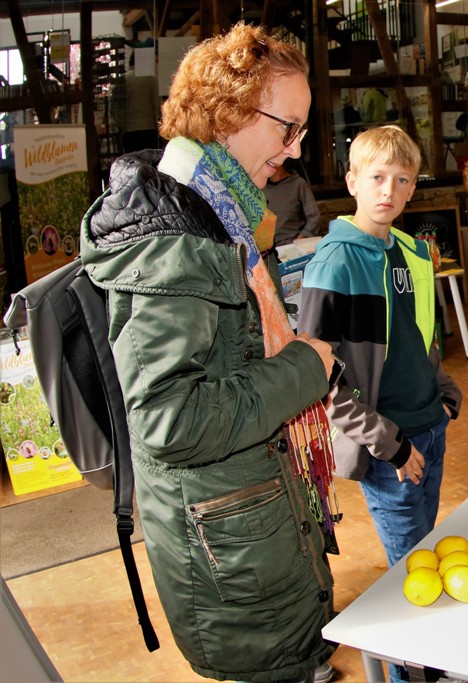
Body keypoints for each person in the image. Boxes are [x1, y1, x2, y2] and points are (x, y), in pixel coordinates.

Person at [79, 24, 340, 683]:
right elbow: (174, 421)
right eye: (288, 128)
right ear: (229, 112)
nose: (295, 150)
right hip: (228, 556)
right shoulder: (174, 237)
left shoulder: (219, 213)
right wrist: (306, 367)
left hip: (247, 530)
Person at [297, 125, 462, 564]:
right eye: (377, 177)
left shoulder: (411, 252)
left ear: (412, 190)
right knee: (412, 569)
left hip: (431, 425)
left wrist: (445, 396)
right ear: (352, 182)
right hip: (389, 446)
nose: (389, 190)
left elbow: (421, 334)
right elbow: (318, 377)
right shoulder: (334, 264)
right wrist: (391, 444)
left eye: (402, 180)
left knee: (427, 547)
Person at [263, 161, 322, 245]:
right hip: (266, 250)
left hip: (291, 246)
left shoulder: (298, 184)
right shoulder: (259, 187)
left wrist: (302, 238)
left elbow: (314, 216)